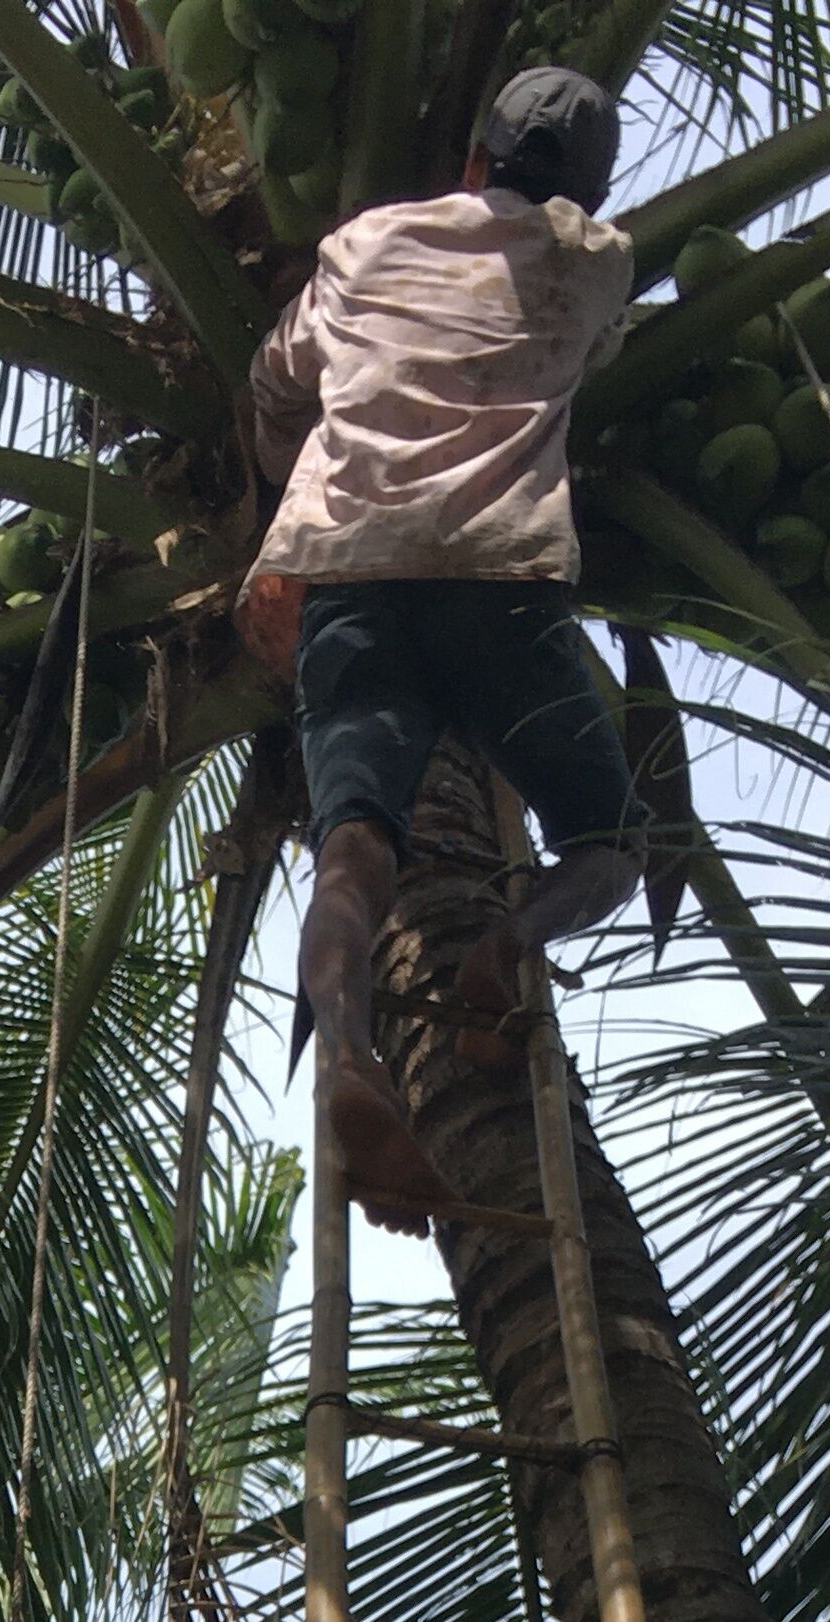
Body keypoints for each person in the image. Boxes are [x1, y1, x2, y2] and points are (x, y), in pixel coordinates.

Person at [240, 68, 646, 1226]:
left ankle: (349, 1053)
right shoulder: (597, 263)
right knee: (612, 847)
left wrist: (275, 469)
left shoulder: (360, 246)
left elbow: (275, 385)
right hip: (500, 591)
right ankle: (512, 943)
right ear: (587, 192)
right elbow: (592, 355)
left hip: (351, 577)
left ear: (474, 161)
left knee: (353, 850)